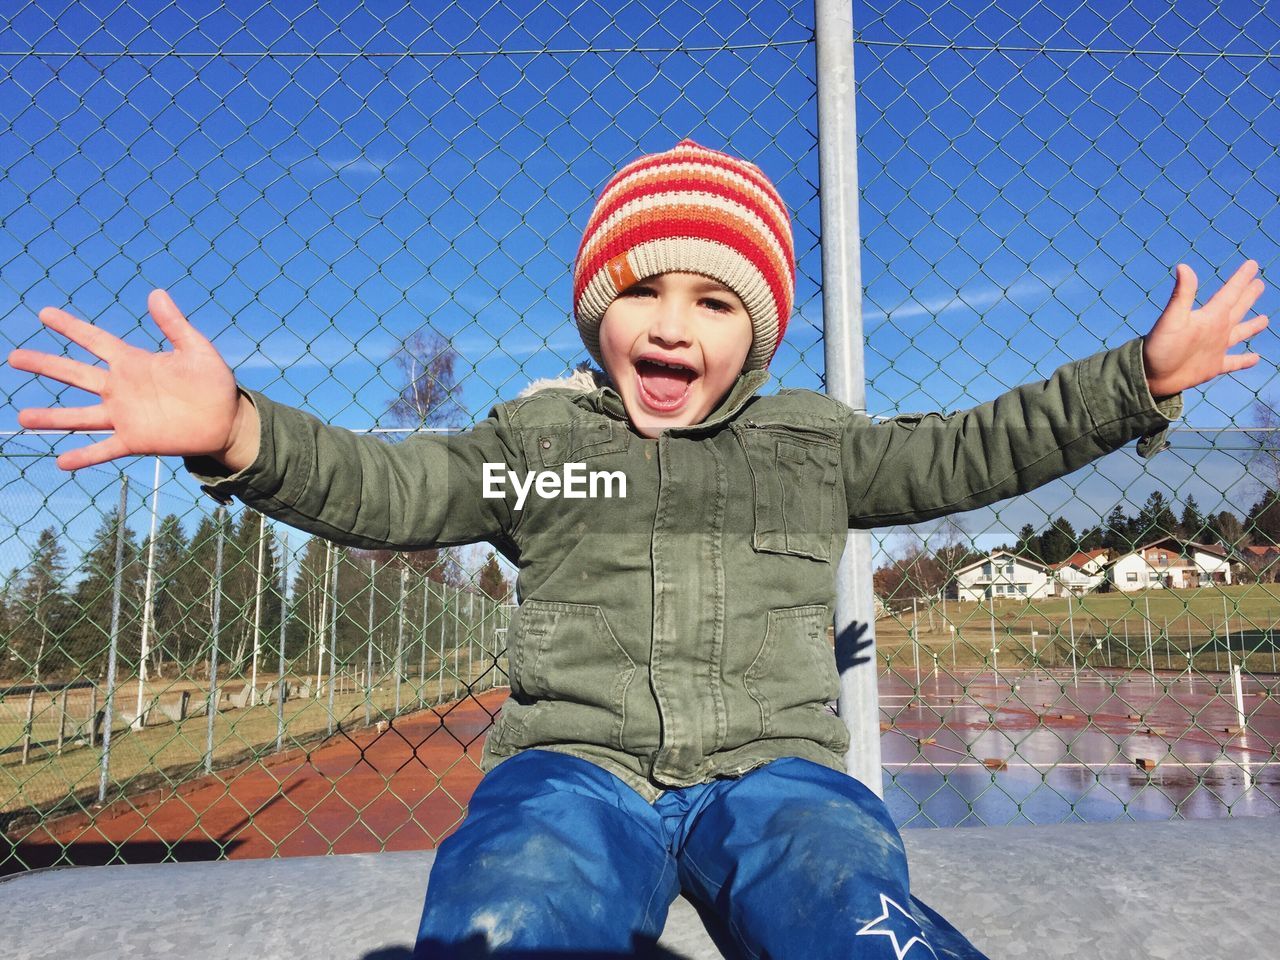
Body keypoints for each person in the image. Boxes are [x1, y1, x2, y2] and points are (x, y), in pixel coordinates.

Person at [9, 139, 1267, 959]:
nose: (673, 327)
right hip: (575, 766)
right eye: (643, 295)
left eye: (713, 302)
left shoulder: (810, 442)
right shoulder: (541, 441)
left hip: (772, 769)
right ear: (596, 309)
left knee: (840, 900)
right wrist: (236, 432)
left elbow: (970, 453)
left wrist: (1131, 386)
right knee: (513, 898)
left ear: (756, 330)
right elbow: (391, 486)